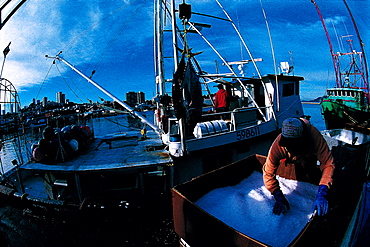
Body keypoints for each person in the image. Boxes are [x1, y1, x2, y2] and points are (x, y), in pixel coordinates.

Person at [263, 117, 335, 216]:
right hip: (290, 161)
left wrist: (322, 192)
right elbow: (268, 173)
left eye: (293, 145)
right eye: (287, 145)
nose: (290, 147)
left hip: (308, 155)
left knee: (311, 173)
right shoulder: (278, 145)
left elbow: (328, 163)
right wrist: (278, 196)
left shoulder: (314, 136)